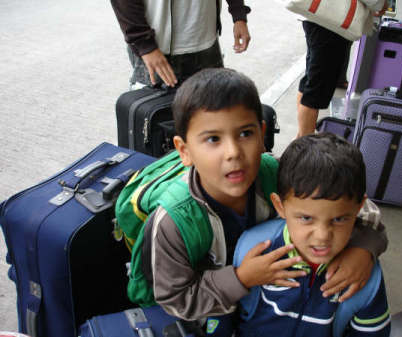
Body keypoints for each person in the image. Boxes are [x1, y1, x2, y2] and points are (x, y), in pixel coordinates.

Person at [138, 68, 387, 325]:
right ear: (184, 150)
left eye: (245, 133)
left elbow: (353, 204)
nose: (233, 152)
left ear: (262, 134)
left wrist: (364, 247)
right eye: (213, 139)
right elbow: (177, 300)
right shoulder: (173, 221)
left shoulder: (277, 173)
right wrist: (241, 278)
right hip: (210, 313)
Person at [234, 133, 390, 337]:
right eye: (306, 218)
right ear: (280, 206)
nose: (323, 236)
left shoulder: (364, 277)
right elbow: (224, 318)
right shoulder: (253, 248)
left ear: (359, 207)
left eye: (340, 219)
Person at [296, 1, 389, 137]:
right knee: (315, 89)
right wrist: (381, 4)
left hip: (317, 16)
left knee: (311, 80)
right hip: (331, 23)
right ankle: (302, 146)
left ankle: (300, 138)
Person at [110, 0, 251, 88]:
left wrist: (239, 15)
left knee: (210, 116)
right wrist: (145, 45)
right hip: (156, 50)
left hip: (206, 42)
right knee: (156, 124)